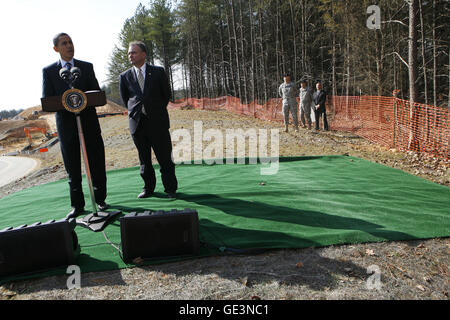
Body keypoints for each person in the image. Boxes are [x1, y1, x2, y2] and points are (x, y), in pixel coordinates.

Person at [42, 33, 108, 219]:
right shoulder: (49, 71)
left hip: (88, 123)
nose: (69, 46)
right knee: (72, 166)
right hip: (66, 126)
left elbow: (96, 94)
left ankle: (100, 199)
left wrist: (83, 98)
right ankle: (77, 205)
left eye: (70, 42)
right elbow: (48, 100)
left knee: (96, 162)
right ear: (56, 48)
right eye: (64, 43)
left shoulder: (86, 67)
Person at [119, 41, 178, 199]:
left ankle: (170, 189)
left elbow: (166, 94)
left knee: (165, 158)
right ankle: (148, 188)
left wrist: (154, 110)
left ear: (143, 54)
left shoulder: (158, 72)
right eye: (129, 53)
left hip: (157, 123)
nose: (130, 55)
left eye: (134, 52)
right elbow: (126, 99)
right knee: (144, 160)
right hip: (138, 124)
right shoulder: (124, 76)